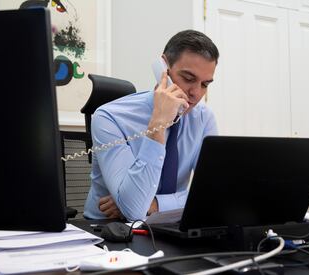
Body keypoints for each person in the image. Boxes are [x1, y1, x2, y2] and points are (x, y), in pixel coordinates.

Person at [84, 30, 219, 221]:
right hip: (108, 229)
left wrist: (156, 204)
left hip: (167, 224)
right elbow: (134, 210)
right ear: (163, 68)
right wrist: (159, 122)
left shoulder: (204, 118)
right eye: (188, 79)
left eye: (205, 84)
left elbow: (212, 194)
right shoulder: (109, 117)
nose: (196, 93)